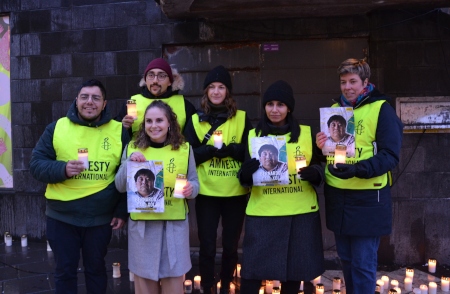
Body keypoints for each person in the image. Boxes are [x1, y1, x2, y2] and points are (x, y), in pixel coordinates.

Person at [29, 79, 129, 294]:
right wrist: (62, 169)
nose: (89, 102)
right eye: (84, 97)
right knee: (65, 271)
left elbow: (127, 173)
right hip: (62, 217)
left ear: (105, 104)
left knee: (96, 270)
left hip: (100, 219)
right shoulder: (57, 127)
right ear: (76, 101)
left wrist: (122, 210)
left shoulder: (120, 131)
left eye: (96, 98)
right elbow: (36, 165)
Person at [315, 58, 403, 294]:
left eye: (353, 81)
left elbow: (390, 156)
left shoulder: (381, 109)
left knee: (363, 264)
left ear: (365, 82)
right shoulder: (333, 112)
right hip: (338, 196)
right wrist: (319, 146)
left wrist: (357, 169)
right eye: (343, 82)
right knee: (346, 260)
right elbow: (326, 156)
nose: (347, 87)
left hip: (368, 197)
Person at [238, 80, 325, 294]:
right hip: (263, 214)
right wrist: (245, 173)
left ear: (289, 108)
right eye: (270, 104)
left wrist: (316, 173)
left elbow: (322, 166)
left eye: (280, 105)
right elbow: (241, 177)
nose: (274, 110)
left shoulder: (306, 133)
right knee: (252, 275)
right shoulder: (252, 136)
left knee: (293, 275)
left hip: (299, 214)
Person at [115, 100, 199, 294]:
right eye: (149, 121)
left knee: (173, 286)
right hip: (143, 229)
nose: (154, 126)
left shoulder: (185, 149)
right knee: (144, 287)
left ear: (169, 122)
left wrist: (190, 189)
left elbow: (195, 182)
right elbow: (119, 186)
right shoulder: (132, 148)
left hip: (174, 228)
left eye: (159, 120)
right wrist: (129, 163)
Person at [184, 65, 252, 294]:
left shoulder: (242, 118)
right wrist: (210, 151)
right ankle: (207, 286)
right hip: (207, 192)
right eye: (211, 87)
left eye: (221, 87)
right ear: (205, 92)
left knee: (231, 246)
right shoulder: (195, 120)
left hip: (234, 193)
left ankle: (225, 285)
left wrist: (233, 150)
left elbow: (252, 153)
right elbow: (187, 153)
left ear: (228, 91)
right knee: (207, 246)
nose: (216, 91)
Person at [117, 57, 196, 136]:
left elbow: (192, 140)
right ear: (145, 79)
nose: (155, 80)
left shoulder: (185, 105)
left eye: (161, 76)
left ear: (170, 82)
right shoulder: (132, 103)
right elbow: (117, 139)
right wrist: (123, 128)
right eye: (151, 75)